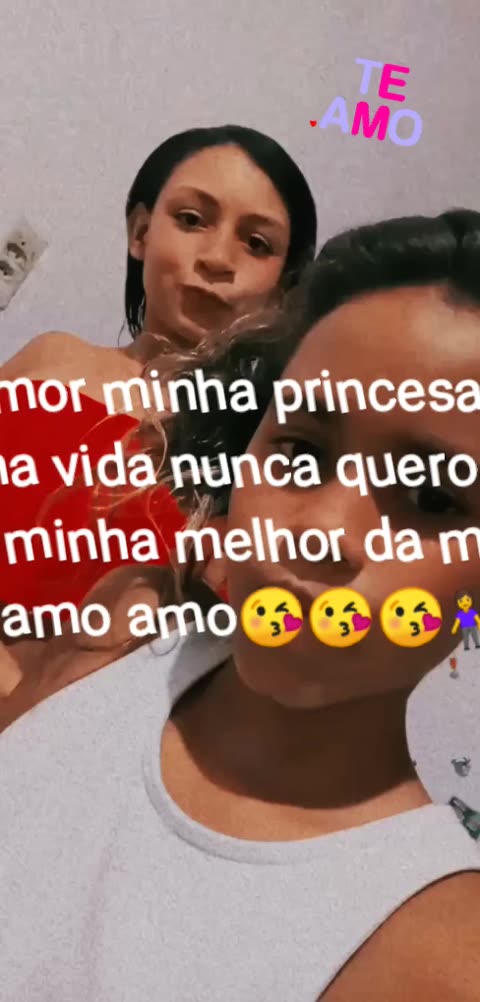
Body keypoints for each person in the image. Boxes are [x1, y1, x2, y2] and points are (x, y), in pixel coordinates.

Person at [2, 209, 480, 1000]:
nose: (323, 529)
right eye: (300, 450)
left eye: (432, 498)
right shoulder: (126, 626)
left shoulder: (436, 951)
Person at [0, 124, 317, 706]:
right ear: (141, 232)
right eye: (192, 219)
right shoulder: (51, 361)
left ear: (283, 292)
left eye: (257, 244)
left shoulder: (254, 468)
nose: (217, 259)